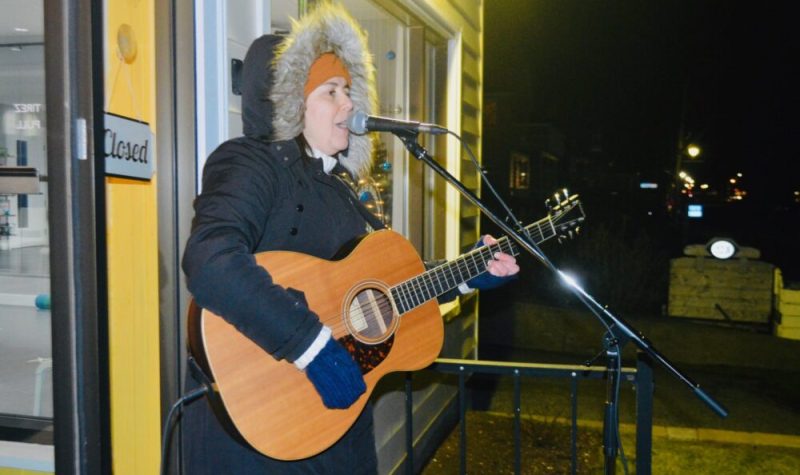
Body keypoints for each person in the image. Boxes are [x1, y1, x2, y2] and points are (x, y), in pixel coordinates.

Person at [181, 2, 519, 473]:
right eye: (331, 91)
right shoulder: (249, 163)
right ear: (290, 101)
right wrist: (309, 345)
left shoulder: (340, 188)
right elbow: (211, 259)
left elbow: (377, 296)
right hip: (261, 425)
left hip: (337, 423)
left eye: (348, 89)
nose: (349, 103)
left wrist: (464, 274)